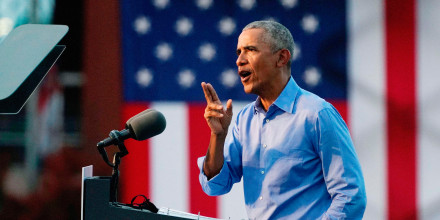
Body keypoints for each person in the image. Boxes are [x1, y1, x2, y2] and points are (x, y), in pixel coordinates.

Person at [198, 20, 366, 219]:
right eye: (238, 52)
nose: (239, 60)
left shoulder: (317, 114)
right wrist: (218, 136)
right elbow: (215, 185)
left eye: (250, 50)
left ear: (281, 58)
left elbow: (351, 197)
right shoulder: (245, 119)